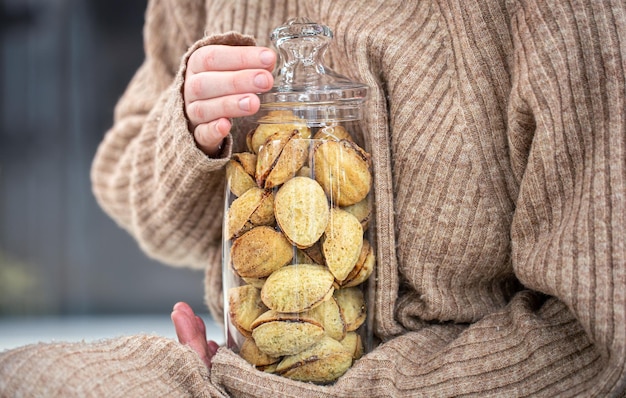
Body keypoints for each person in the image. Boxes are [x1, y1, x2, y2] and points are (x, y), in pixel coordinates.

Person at [1, 0, 625, 396]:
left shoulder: (564, 18)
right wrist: (191, 127)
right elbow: (125, 183)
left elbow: (600, 344)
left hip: (455, 380)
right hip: (240, 370)